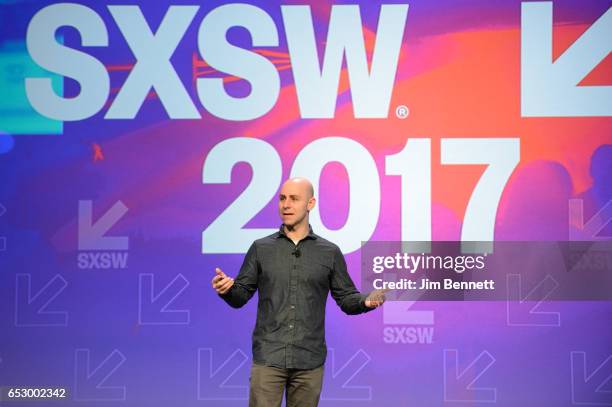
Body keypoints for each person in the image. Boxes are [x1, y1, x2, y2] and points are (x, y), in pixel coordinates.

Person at [211, 177, 385, 407]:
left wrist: (366, 301)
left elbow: (346, 299)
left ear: (310, 203)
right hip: (269, 357)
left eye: (294, 199)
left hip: (309, 359)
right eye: (282, 198)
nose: (286, 205)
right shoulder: (261, 248)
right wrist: (227, 289)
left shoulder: (329, 252)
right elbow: (240, 296)